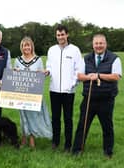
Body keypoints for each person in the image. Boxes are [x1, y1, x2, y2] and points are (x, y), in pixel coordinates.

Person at [72, 34, 122, 158]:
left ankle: (108, 152)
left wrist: (99, 75)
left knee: (107, 127)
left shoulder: (114, 58)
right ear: (93, 45)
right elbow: (79, 75)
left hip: (106, 99)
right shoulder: (86, 58)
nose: (99, 46)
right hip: (89, 98)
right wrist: (89, 76)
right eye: (96, 43)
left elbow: (116, 76)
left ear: (106, 44)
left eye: (101, 43)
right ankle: (77, 151)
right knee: (82, 125)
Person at [45, 24, 82, 152]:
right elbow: (49, 66)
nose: (60, 37)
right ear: (56, 36)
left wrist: (72, 84)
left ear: (67, 35)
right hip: (54, 90)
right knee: (55, 118)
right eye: (58, 35)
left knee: (68, 118)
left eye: (62, 34)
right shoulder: (51, 50)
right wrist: (47, 72)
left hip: (68, 91)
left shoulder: (75, 50)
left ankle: (67, 144)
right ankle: (55, 142)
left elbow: (79, 70)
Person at [14, 36, 52, 148]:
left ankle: (32, 139)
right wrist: (14, 72)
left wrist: (43, 73)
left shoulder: (38, 60)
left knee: (33, 117)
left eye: (28, 45)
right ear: (21, 47)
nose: (26, 47)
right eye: (24, 45)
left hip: (34, 94)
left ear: (32, 46)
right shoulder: (17, 60)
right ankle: (24, 138)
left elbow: (41, 77)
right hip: (21, 94)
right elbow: (14, 78)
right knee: (23, 117)